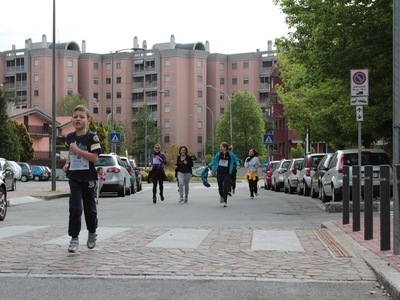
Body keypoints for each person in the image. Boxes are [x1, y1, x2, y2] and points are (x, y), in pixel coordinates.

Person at [62, 105, 102, 253]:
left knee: (90, 209)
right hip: (74, 177)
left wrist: (78, 150)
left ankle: (92, 232)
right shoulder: (70, 137)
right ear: (72, 120)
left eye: (81, 117)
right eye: (75, 116)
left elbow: (94, 158)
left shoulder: (92, 137)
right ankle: (74, 238)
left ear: (88, 120)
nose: (78, 119)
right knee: (75, 207)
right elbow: (70, 153)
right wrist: (67, 163)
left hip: (89, 178)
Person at [208, 142, 238, 207]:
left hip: (227, 172)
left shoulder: (230, 154)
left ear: (225, 147)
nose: (220, 148)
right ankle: (221, 195)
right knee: (220, 186)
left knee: (226, 186)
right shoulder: (218, 154)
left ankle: (225, 201)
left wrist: (238, 165)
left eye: (221, 147)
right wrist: (209, 165)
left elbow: (236, 160)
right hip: (219, 172)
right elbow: (214, 161)